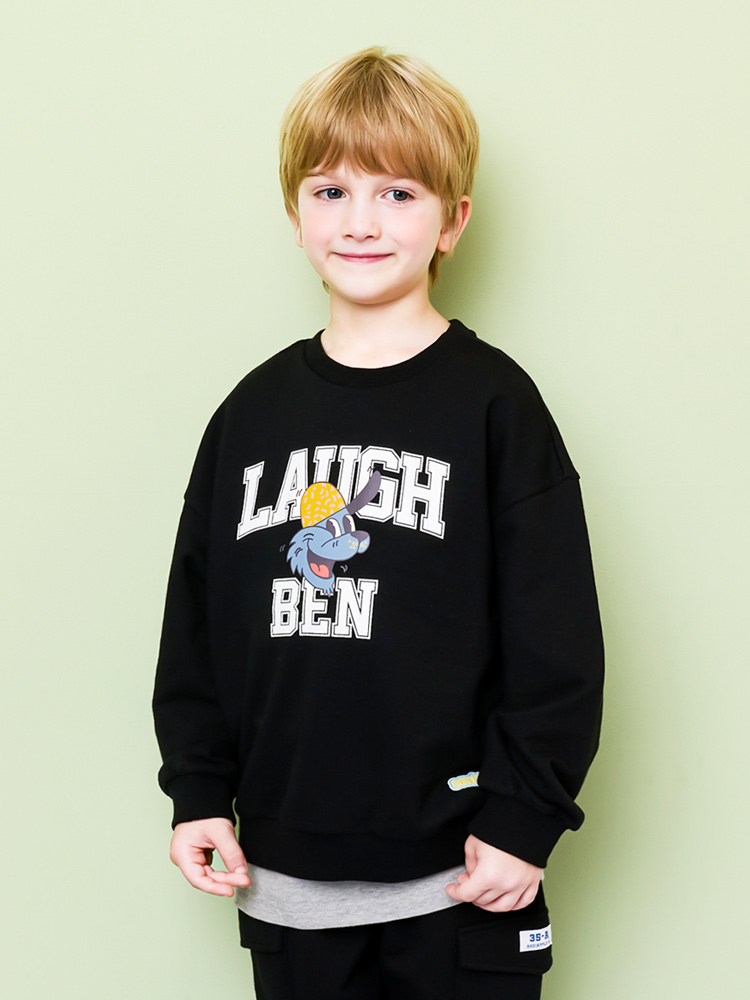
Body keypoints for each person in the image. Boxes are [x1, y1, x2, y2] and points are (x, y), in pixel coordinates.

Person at [153, 46, 604, 1000]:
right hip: (286, 882)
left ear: (454, 221)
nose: (360, 221)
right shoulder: (249, 416)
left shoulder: (496, 408)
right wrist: (197, 790)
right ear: (295, 215)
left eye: (398, 193)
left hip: (463, 880)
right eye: (331, 191)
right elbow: (196, 628)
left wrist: (524, 819)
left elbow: (556, 638)